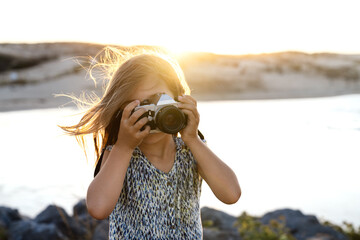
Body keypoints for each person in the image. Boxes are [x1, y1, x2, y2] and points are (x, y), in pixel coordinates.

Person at [60, 47, 241, 239]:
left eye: (159, 101)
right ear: (122, 111)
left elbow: (231, 194)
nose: (151, 115)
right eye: (139, 107)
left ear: (179, 98)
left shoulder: (191, 149)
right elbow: (98, 209)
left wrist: (193, 138)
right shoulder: (119, 154)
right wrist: (124, 146)